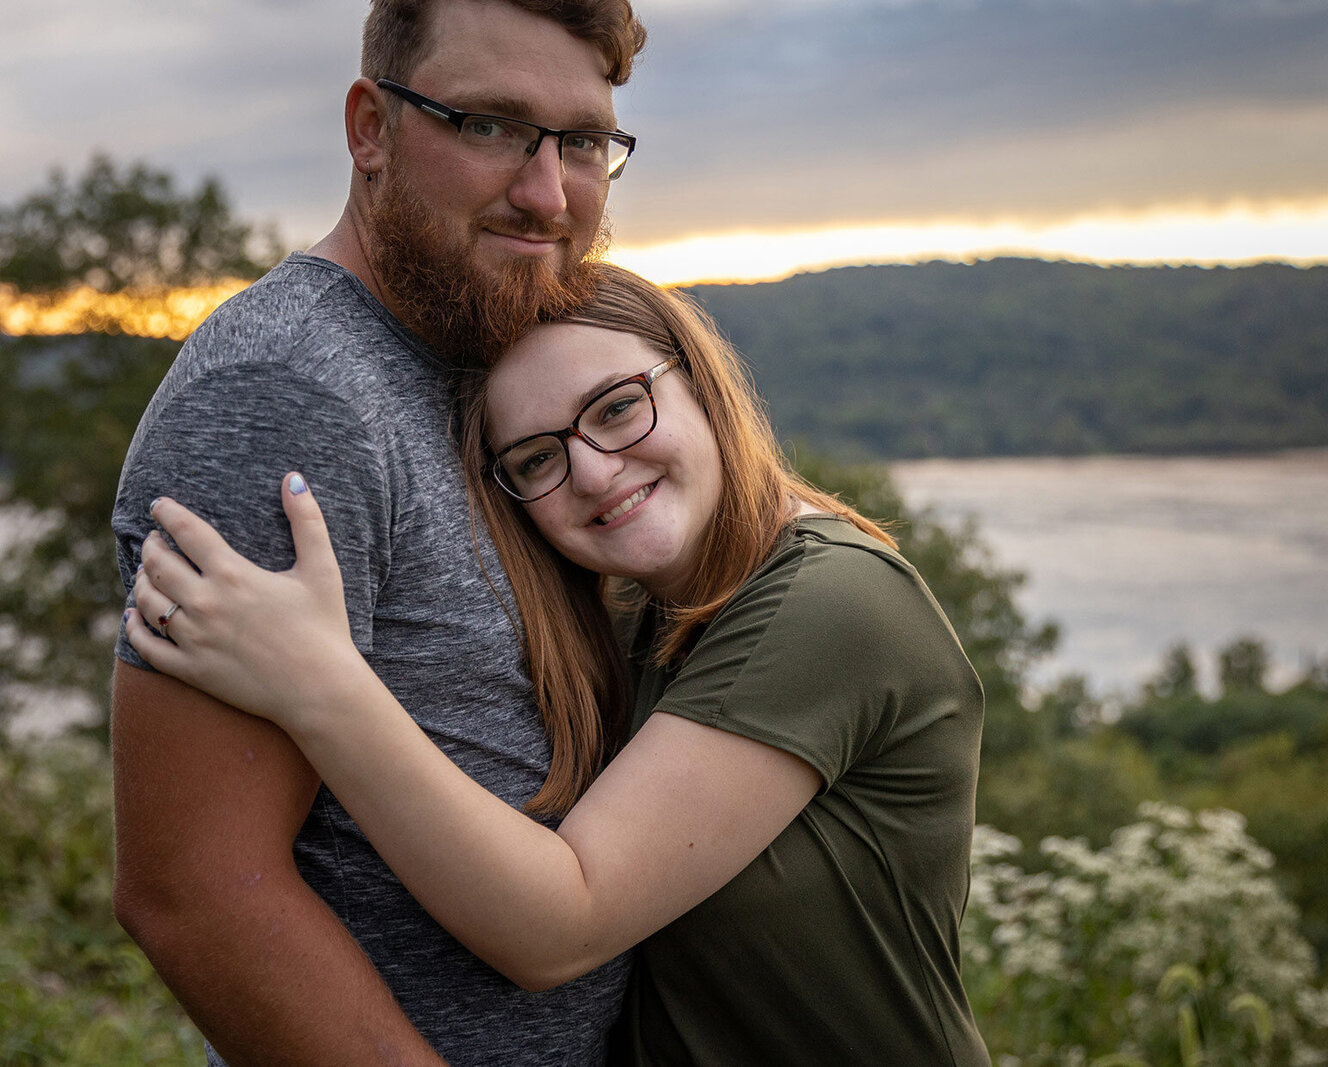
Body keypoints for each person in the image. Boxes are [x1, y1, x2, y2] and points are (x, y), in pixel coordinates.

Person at [126, 264, 992, 1066]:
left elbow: (561, 928)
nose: (592, 469)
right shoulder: (648, 611)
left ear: (702, 380)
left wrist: (316, 682)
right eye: (537, 457)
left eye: (617, 407)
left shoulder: (829, 605)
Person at [110, 2, 647, 1063]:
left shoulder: (493, 353)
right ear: (371, 129)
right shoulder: (285, 397)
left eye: (581, 140)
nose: (546, 195)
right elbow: (195, 890)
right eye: (489, 124)